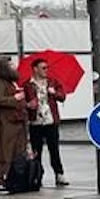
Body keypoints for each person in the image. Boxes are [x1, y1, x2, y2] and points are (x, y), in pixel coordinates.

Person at [24, 57, 68, 187]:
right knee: (36, 150)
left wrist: (54, 93)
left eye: (47, 68)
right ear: (35, 69)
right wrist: (28, 105)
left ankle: (59, 174)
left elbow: (62, 96)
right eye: (43, 68)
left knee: (54, 149)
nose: (46, 70)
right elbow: (23, 102)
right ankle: (37, 175)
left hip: (50, 121)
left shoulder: (52, 82)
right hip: (35, 122)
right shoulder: (28, 85)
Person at [0, 56, 27, 192]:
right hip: (5, 121)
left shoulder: (11, 82)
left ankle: (13, 178)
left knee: (18, 151)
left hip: (17, 119)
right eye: (10, 65)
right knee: (4, 150)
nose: (14, 67)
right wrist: (15, 98)